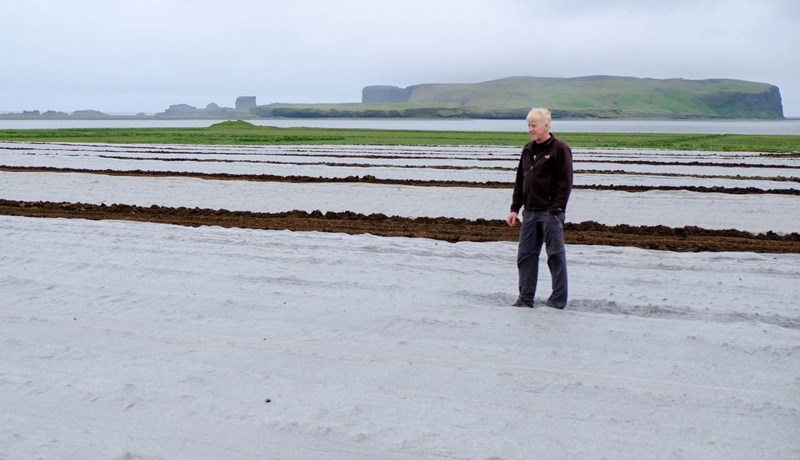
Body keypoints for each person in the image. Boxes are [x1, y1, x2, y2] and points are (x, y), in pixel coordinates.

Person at [506, 108, 573, 309]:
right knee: (525, 256)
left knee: (555, 256)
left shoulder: (560, 149)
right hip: (529, 212)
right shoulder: (527, 149)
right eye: (528, 125)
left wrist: (556, 210)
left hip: (550, 213)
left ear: (546, 125)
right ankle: (525, 299)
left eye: (534, 126)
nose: (530, 129)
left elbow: (565, 183)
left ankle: (557, 302)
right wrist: (514, 208)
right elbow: (520, 181)